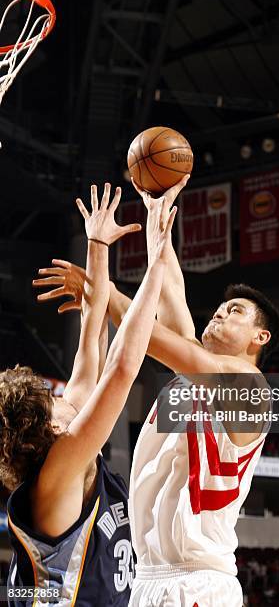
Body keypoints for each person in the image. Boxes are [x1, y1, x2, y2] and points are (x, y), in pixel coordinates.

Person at [35, 175, 279, 607]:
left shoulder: (250, 392)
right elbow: (169, 291)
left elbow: (143, 335)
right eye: (221, 308)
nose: (221, 314)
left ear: (259, 337)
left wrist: (101, 290)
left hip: (199, 582)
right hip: (146, 578)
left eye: (236, 311)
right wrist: (155, 215)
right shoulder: (191, 378)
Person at [4, 183, 175, 606]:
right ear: (47, 426)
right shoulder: (58, 473)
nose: (65, 394)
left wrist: (97, 244)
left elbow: (92, 332)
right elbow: (120, 369)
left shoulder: (64, 448)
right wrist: (156, 263)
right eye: (53, 398)